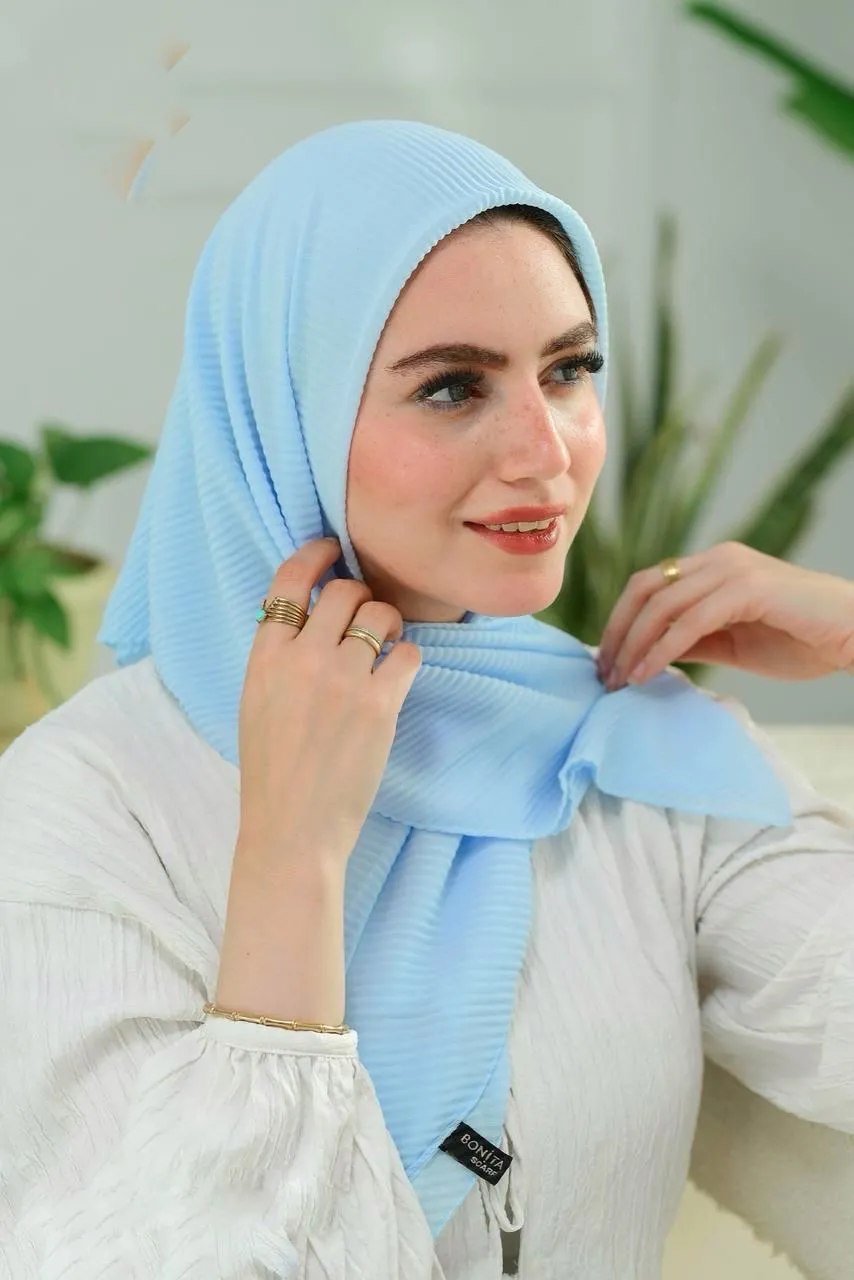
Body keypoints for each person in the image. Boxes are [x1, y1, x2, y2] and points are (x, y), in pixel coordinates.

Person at [1, 118, 853, 1280]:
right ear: (285, 410)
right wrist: (291, 861)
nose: (543, 450)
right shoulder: (87, 807)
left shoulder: (631, 746)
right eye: (452, 386)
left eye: (568, 369)